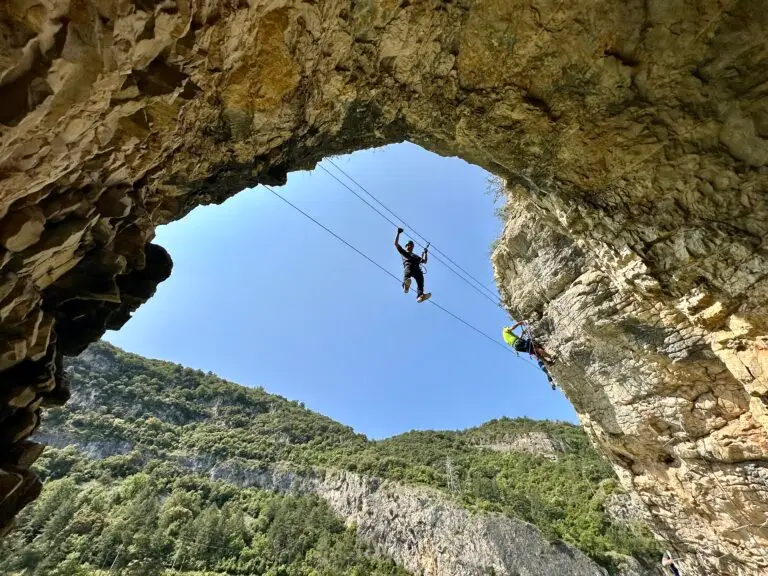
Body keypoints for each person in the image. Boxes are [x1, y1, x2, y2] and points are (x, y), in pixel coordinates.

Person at [394, 227, 431, 302]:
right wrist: (398, 233)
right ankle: (405, 285)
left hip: (416, 269)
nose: (410, 246)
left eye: (411, 245)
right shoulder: (404, 252)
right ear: (406, 246)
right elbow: (396, 244)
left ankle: (420, 295)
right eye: (409, 245)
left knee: (420, 278)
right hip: (409, 266)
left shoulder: (416, 256)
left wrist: (426, 253)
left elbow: (425, 261)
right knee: (407, 274)